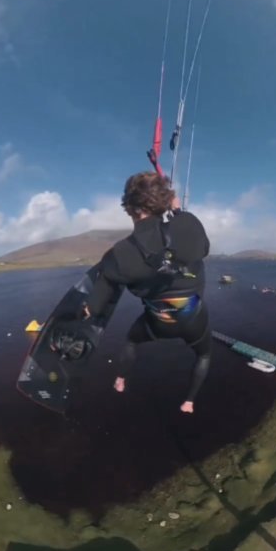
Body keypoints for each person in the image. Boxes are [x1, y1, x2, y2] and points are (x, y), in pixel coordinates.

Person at [82, 172, 211, 414]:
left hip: (157, 323)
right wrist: (178, 212)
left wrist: (84, 310)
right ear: (166, 199)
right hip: (194, 320)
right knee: (204, 355)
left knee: (132, 339)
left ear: (129, 208)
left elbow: (94, 308)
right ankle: (189, 402)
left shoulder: (117, 255)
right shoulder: (189, 224)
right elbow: (204, 248)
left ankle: (120, 379)